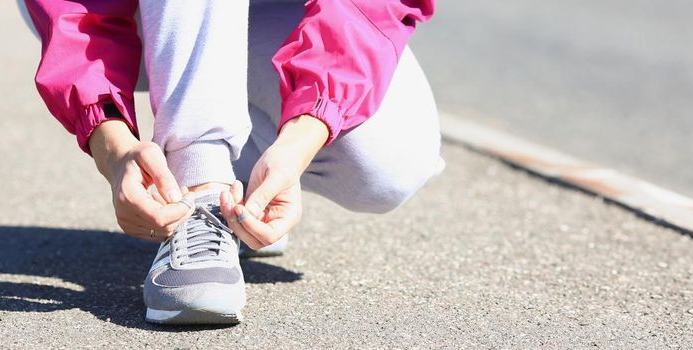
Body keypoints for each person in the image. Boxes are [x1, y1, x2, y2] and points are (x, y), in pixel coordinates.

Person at [24, 0, 443, 325]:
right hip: (139, 11)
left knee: (385, 166)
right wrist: (112, 146)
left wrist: (302, 135)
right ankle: (200, 178)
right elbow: (75, 8)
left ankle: (238, 188)